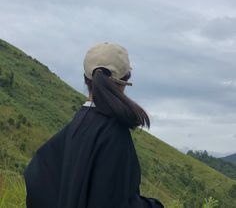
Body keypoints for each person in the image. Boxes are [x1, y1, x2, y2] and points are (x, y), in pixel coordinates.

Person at [23, 42, 164, 208]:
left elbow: (37, 179)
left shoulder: (76, 126)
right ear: (125, 80)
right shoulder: (114, 134)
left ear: (86, 78)